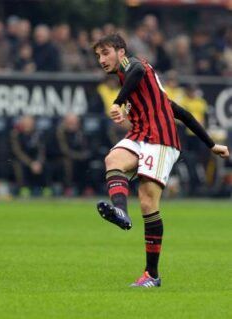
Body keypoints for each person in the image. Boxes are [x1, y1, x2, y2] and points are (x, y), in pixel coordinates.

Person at [92, 34, 229, 288]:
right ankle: (121, 211)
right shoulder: (146, 86)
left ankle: (152, 275)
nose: (101, 60)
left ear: (121, 52)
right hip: (140, 136)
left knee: (147, 201)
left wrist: (119, 102)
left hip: (162, 140)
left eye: (106, 52)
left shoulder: (135, 67)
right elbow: (184, 114)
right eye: (98, 55)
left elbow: (136, 70)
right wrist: (212, 145)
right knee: (113, 159)